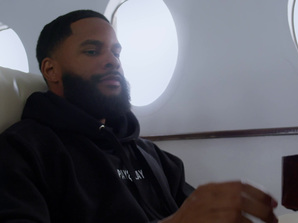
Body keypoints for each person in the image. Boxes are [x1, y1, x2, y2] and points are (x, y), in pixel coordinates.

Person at [0, 10, 278, 223]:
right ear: (51, 71)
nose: (113, 61)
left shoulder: (151, 155)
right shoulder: (22, 151)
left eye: (116, 52)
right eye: (92, 51)